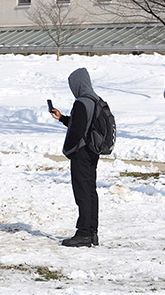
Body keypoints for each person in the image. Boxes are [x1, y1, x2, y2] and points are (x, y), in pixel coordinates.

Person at [50, 67, 100, 247]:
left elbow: (77, 131)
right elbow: (83, 124)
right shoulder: (95, 100)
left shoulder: (81, 103)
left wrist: (69, 151)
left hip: (81, 154)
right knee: (90, 190)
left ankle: (83, 233)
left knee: (82, 192)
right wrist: (62, 118)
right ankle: (92, 232)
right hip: (93, 152)